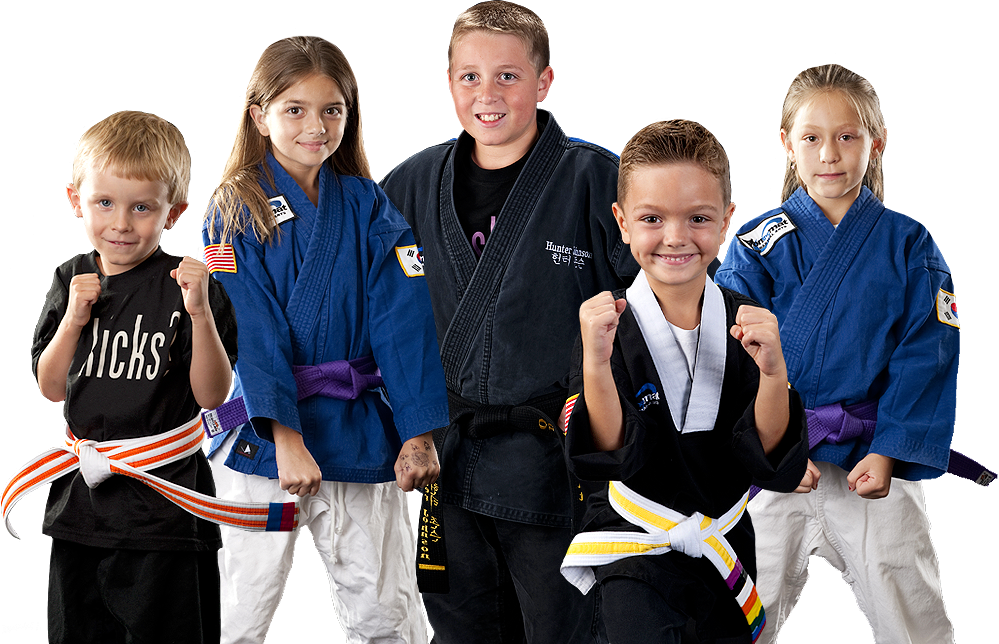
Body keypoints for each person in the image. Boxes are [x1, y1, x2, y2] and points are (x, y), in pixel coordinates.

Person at [381, 3, 639, 641]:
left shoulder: (596, 178)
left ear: (547, 82)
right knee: (457, 627)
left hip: (556, 464)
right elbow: (379, 319)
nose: (486, 95)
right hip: (443, 459)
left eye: (508, 76)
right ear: (447, 83)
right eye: (468, 77)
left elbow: (653, 315)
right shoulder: (407, 185)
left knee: (564, 629)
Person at [201, 33, 449, 644]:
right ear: (258, 115)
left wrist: (418, 432)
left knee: (383, 609)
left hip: (360, 424)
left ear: (351, 116)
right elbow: (251, 327)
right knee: (244, 608)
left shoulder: (369, 203)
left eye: (332, 110)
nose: (316, 126)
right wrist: (284, 436)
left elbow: (404, 317)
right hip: (261, 435)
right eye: (295, 109)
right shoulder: (235, 207)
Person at [715, 65, 960, 643]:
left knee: (910, 607)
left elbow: (930, 347)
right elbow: (728, 349)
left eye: (847, 136)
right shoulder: (756, 244)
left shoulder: (910, 243)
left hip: (871, 461)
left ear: (874, 144)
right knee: (740, 610)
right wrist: (768, 448)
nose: (830, 153)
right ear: (787, 144)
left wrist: (891, 451)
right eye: (812, 137)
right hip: (776, 463)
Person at [558, 118, 808, 643]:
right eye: (652, 218)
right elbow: (605, 452)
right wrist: (596, 364)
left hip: (725, 546)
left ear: (726, 223)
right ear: (622, 222)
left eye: (698, 218)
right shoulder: (603, 325)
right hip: (634, 550)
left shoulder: (748, 323)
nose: (675, 238)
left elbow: (767, 456)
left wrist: (773, 374)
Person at [31, 110, 237, 644]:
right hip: (81, 503)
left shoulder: (189, 287)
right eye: (105, 203)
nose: (122, 223)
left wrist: (201, 315)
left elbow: (213, 399)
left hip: (165, 510)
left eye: (142, 207)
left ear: (173, 213)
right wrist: (74, 319)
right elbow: (51, 390)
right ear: (76, 201)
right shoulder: (69, 277)